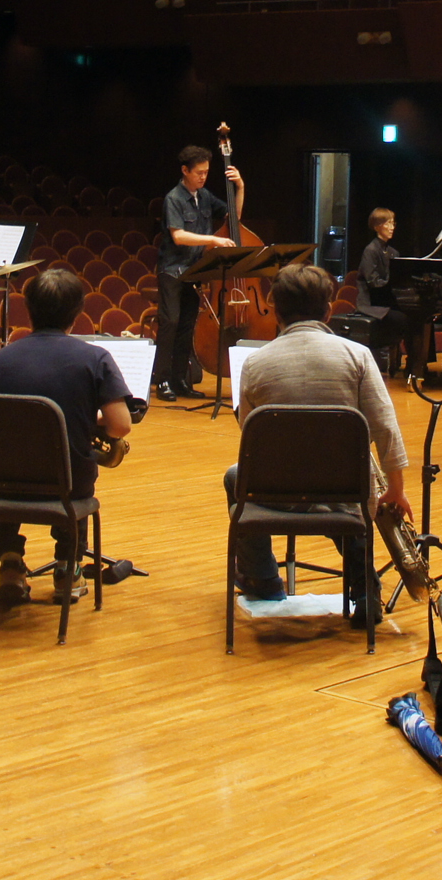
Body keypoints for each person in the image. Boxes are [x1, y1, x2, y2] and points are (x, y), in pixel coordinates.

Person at [226, 264, 412, 620]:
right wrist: (396, 489)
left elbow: (249, 436)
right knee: (348, 496)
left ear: (276, 312)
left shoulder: (254, 363)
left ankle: (262, 580)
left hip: (276, 491)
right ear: (328, 311)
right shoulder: (358, 356)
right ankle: (364, 587)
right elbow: (386, 427)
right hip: (346, 490)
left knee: (235, 477)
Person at [0, 267, 135, 606]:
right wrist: (87, 417)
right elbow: (121, 426)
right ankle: (68, 568)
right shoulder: (94, 358)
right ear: (77, 314)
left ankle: (10, 565)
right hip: (67, 484)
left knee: (9, 463)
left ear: (29, 309)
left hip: (3, 484)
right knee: (76, 467)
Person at [153, 143, 243, 400]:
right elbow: (179, 236)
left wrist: (240, 187)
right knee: (170, 323)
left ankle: (180, 380)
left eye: (206, 172)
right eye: (199, 173)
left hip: (195, 270)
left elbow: (234, 217)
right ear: (185, 171)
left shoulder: (204, 196)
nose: (204, 177)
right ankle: (162, 380)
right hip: (172, 270)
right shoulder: (173, 198)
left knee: (187, 326)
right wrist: (212, 240)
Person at [351, 206, 409, 372]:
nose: (392, 227)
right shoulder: (370, 251)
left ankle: (419, 363)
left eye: (393, 223)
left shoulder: (393, 252)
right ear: (377, 226)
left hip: (386, 302)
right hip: (371, 305)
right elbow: (373, 282)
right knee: (404, 319)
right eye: (387, 223)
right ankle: (409, 363)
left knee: (419, 318)